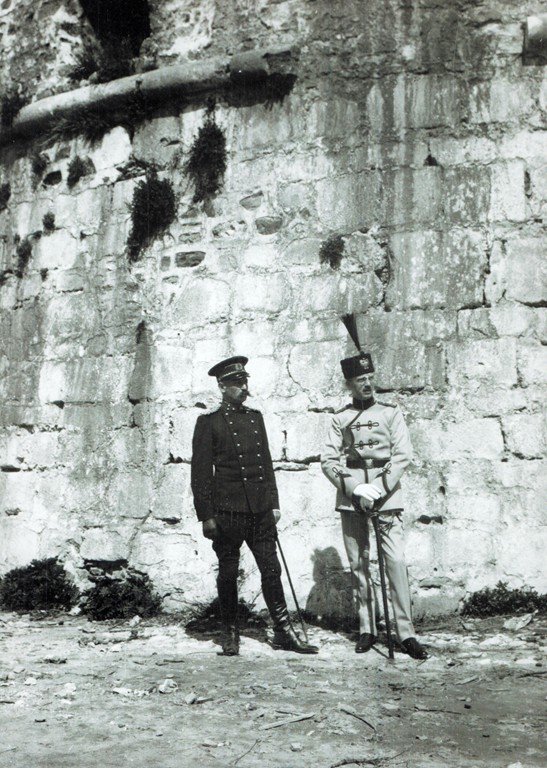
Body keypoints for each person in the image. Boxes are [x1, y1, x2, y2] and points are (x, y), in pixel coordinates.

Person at [191, 356, 318, 656]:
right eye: (237, 383)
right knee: (228, 572)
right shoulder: (208, 423)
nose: (244, 388)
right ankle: (229, 631)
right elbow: (200, 474)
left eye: (245, 381)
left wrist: (273, 503)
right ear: (222, 386)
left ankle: (283, 631)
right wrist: (206, 516)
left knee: (271, 569)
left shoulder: (255, 418)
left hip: (259, 511)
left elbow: (266, 464)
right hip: (227, 513)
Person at [321, 350, 427, 660]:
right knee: (359, 562)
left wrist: (378, 488)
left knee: (395, 561)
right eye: (360, 380)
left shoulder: (391, 413)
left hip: (386, 493)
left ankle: (405, 632)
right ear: (349, 384)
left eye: (370, 378)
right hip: (352, 496)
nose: (367, 384)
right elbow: (328, 460)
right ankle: (367, 628)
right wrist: (355, 488)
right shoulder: (340, 418)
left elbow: (403, 454)